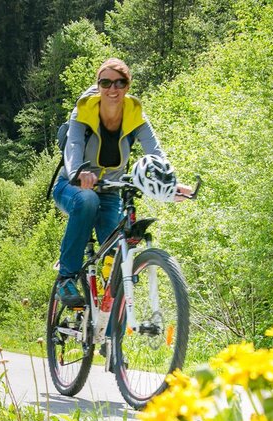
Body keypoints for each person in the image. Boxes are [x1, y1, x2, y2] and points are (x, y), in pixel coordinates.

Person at [51, 58, 192, 307]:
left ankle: (112, 316)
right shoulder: (84, 109)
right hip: (72, 186)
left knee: (117, 249)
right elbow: (73, 146)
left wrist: (171, 184)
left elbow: (155, 153)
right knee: (87, 200)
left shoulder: (134, 113)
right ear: (98, 85)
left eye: (120, 83)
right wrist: (78, 173)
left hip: (110, 192)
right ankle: (67, 277)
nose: (112, 89)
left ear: (128, 86)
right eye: (105, 83)